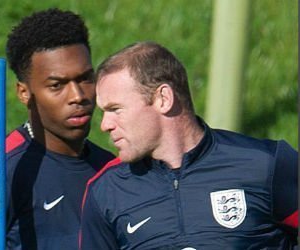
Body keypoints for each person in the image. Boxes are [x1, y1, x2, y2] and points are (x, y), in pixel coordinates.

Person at [80, 41, 298, 249]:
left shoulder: (266, 164)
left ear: (163, 99)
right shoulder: (106, 191)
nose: (105, 125)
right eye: (103, 112)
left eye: (115, 109)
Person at [0, 8, 115, 250]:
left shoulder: (111, 168)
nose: (78, 96)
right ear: (24, 92)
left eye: (85, 78)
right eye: (57, 85)